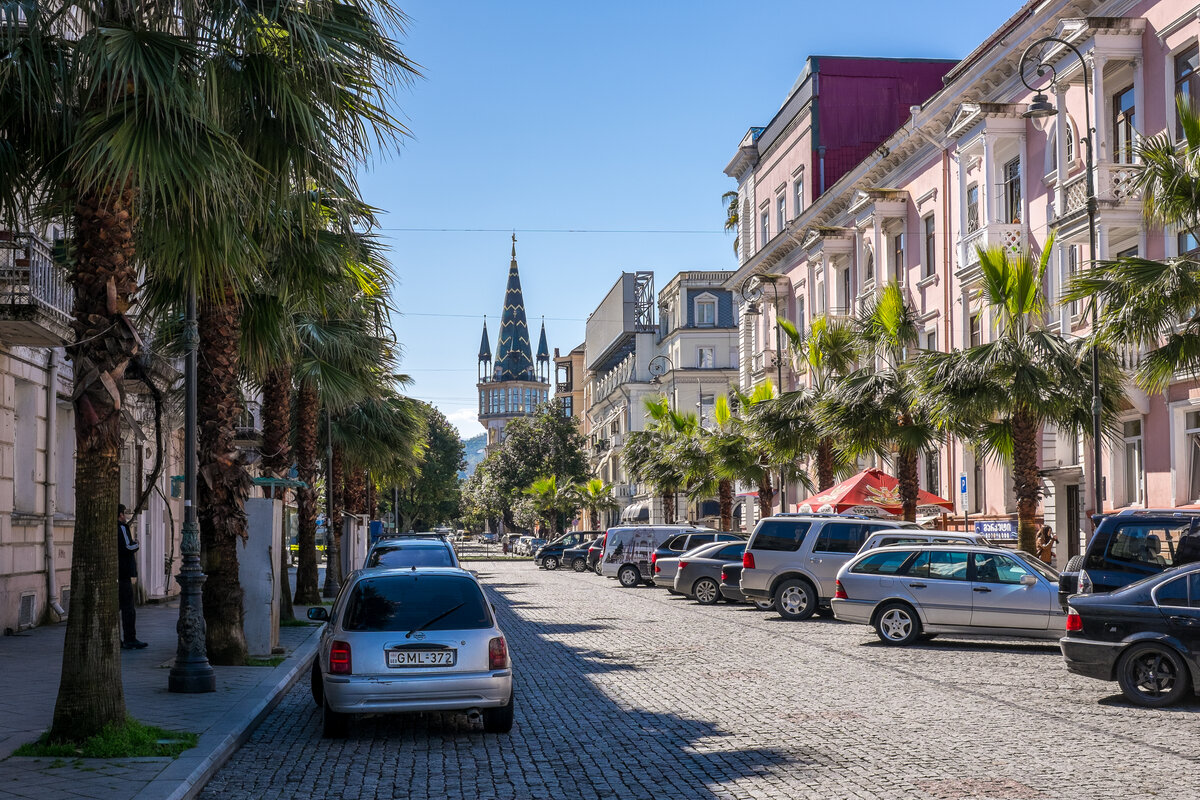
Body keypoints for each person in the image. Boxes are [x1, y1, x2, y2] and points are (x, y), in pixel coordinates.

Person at [117, 504, 147, 649]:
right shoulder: (121, 527)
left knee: (119, 607)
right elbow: (126, 547)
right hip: (123, 573)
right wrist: (136, 544)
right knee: (128, 608)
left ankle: (118, 639)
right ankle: (130, 638)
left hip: (117, 573)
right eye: (123, 513)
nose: (124, 516)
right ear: (120, 514)